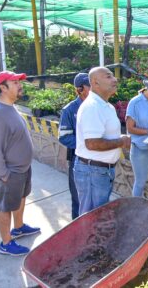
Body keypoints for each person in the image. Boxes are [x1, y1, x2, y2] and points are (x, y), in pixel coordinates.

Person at [0, 71, 40, 256]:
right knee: (5, 206)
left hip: (22, 168)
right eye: (14, 82)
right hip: (10, 172)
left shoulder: (8, 105)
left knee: (21, 198)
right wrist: (4, 175)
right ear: (3, 87)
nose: (19, 85)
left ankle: (19, 227)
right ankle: (6, 243)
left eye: (19, 81)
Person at [73, 67, 131, 215]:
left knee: (97, 217)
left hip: (101, 171)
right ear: (95, 82)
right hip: (92, 172)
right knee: (91, 218)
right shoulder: (92, 107)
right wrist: (121, 141)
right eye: (108, 76)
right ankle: (87, 239)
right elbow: (92, 143)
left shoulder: (106, 106)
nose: (115, 79)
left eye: (113, 76)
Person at [58, 73, 90, 219]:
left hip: (97, 161)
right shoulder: (69, 110)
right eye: (91, 86)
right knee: (78, 199)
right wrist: (88, 144)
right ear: (80, 89)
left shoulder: (97, 106)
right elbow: (64, 137)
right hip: (78, 161)